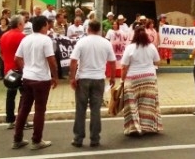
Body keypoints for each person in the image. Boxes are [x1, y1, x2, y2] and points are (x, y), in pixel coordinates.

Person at [12, 16, 58, 150]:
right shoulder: (45, 40)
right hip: (41, 78)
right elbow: (51, 60)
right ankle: (37, 140)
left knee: (24, 108)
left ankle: (17, 138)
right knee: (39, 110)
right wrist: (55, 76)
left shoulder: (26, 39)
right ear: (44, 26)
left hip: (27, 77)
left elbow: (17, 58)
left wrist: (25, 68)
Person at [69, 20, 116, 148]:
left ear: (88, 28)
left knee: (80, 109)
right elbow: (112, 62)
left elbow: (73, 61)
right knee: (96, 110)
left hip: (83, 78)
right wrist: (112, 77)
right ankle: (95, 138)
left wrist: (72, 78)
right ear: (99, 29)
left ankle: (78, 138)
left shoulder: (82, 42)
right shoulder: (106, 43)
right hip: (99, 78)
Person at [120, 26, 162, 136]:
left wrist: (122, 79)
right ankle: (148, 127)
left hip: (133, 78)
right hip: (149, 78)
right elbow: (157, 62)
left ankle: (134, 128)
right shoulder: (151, 47)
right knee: (148, 103)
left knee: (132, 104)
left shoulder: (130, 48)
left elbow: (124, 66)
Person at [0, 15, 31, 130]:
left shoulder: (4, 35)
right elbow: (26, 54)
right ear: (19, 24)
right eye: (23, 23)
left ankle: (10, 119)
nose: (24, 26)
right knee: (25, 96)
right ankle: (22, 120)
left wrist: (7, 62)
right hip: (20, 70)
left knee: (10, 95)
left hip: (8, 70)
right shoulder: (22, 37)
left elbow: (1, 53)